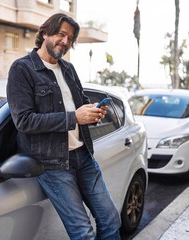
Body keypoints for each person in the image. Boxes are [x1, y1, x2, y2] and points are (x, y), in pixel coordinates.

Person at [7, 13, 121, 240]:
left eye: (70, 39)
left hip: (84, 156)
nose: (66, 42)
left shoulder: (68, 69)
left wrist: (92, 112)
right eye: (61, 34)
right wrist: (74, 118)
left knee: (110, 220)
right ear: (45, 32)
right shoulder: (22, 69)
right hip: (52, 164)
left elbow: (78, 105)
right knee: (83, 233)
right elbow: (24, 121)